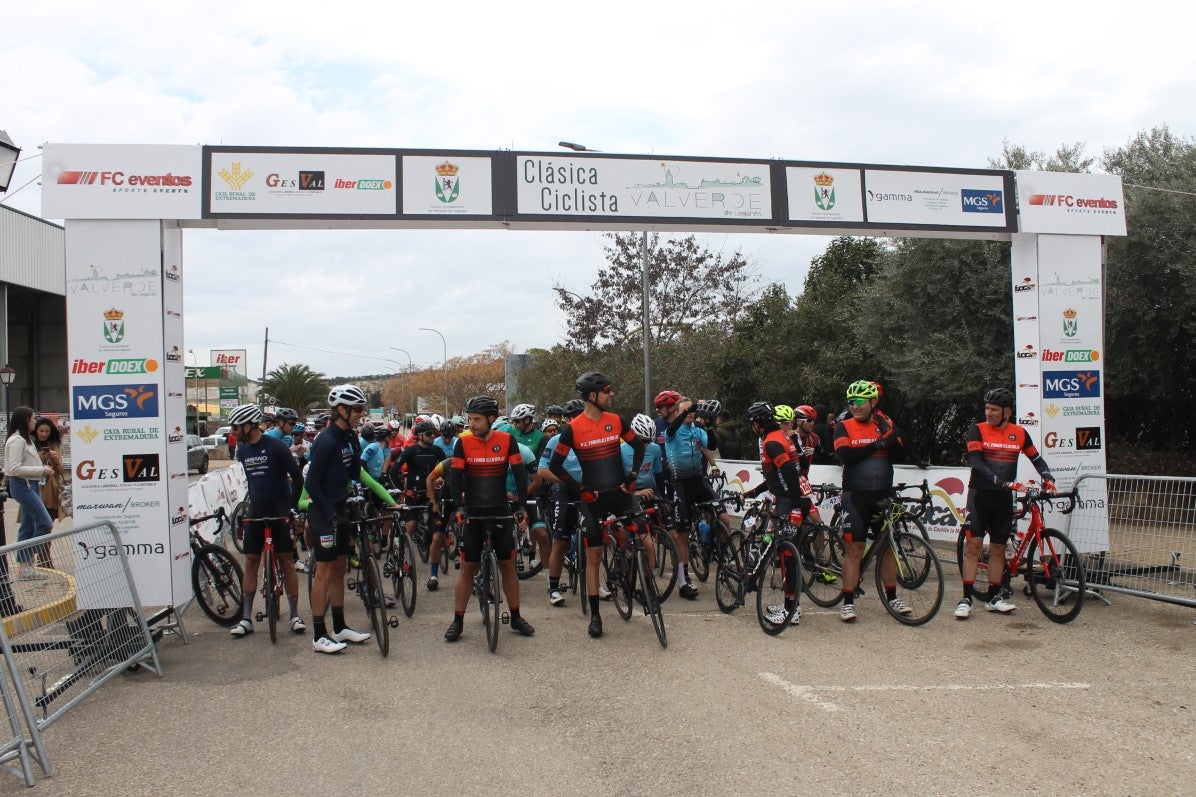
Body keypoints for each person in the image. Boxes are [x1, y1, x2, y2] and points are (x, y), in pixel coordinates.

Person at [548, 372, 645, 639]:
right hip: (593, 501)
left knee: (642, 534)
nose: (611, 394)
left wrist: (633, 476)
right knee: (593, 557)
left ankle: (635, 582)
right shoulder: (573, 428)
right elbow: (555, 466)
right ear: (592, 396)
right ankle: (595, 616)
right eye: (607, 391)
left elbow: (639, 447)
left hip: (621, 492)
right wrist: (579, 489)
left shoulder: (616, 420)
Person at [956, 388, 1056, 619]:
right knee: (974, 547)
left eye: (994, 409)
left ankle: (993, 597)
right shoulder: (977, 430)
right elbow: (976, 463)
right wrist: (1003, 482)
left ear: (1007, 412)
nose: (988, 413)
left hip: (1003, 498)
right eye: (987, 408)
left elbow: (1037, 459)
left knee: (998, 548)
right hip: (980, 494)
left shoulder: (1019, 433)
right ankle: (966, 598)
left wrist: (1048, 478)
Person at [443, 395, 535, 642]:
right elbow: (455, 478)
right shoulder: (462, 443)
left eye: (477, 419)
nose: (471, 424)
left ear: (491, 419)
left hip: (501, 511)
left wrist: (521, 507)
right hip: (473, 512)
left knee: (507, 566)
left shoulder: (506, 441)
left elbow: (519, 474)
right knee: (467, 569)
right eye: (470, 419)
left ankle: (516, 617)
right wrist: (460, 507)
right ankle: (458, 621)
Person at [833, 380, 912, 622]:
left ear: (873, 402)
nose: (854, 406)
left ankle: (892, 598)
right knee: (854, 549)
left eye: (858, 402)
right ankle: (847, 602)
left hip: (883, 495)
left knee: (888, 548)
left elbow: (901, 454)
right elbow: (846, 455)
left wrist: (894, 438)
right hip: (856, 496)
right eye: (851, 402)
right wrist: (877, 444)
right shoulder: (843, 426)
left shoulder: (884, 423)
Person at [304, 384, 374, 654]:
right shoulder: (326, 440)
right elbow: (311, 483)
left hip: (340, 508)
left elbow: (354, 473)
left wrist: (356, 449)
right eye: (357, 409)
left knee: (339, 566)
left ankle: (339, 625)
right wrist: (330, 513)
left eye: (362, 409)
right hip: (324, 512)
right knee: (323, 571)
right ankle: (319, 634)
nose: (361, 413)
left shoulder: (347, 438)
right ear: (341, 410)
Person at [227, 403, 307, 638]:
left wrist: (291, 508)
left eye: (236, 426)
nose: (233, 430)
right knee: (251, 561)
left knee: (286, 561)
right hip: (256, 511)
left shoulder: (276, 447)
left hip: (279, 509)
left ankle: (294, 615)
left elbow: (297, 478)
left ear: (249, 424)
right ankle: (246, 618)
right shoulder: (242, 451)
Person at [662, 395, 728, 600]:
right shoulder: (671, 432)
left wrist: (708, 424)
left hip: (699, 481)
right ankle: (683, 581)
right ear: (678, 413)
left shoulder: (697, 430)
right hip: (679, 484)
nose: (690, 414)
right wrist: (688, 409)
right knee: (682, 534)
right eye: (686, 411)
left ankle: (723, 558)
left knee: (724, 518)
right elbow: (673, 428)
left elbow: (713, 444)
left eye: (692, 411)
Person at [742, 402, 803, 625]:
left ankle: (791, 610)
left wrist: (794, 504)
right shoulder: (782, 436)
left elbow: (788, 471)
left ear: (757, 424)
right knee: (784, 552)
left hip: (788, 500)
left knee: (788, 557)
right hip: (786, 498)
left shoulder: (771, 442)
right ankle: (791, 604)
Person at [4, 407, 55, 579]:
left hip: (28, 484)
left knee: (27, 527)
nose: (35, 421)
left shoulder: (25, 439)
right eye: (33, 418)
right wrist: (41, 469)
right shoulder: (18, 440)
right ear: (26, 419)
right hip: (23, 484)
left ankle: (25, 568)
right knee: (45, 523)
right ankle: (28, 558)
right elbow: (13, 468)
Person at [34, 417, 66, 526]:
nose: (44, 434)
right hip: (34, 484)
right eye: (41, 431)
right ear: (36, 431)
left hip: (50, 487)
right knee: (33, 521)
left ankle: (45, 543)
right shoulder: (30, 443)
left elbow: (60, 470)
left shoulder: (53, 444)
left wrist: (55, 458)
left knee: (48, 521)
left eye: (47, 431)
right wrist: (41, 457)